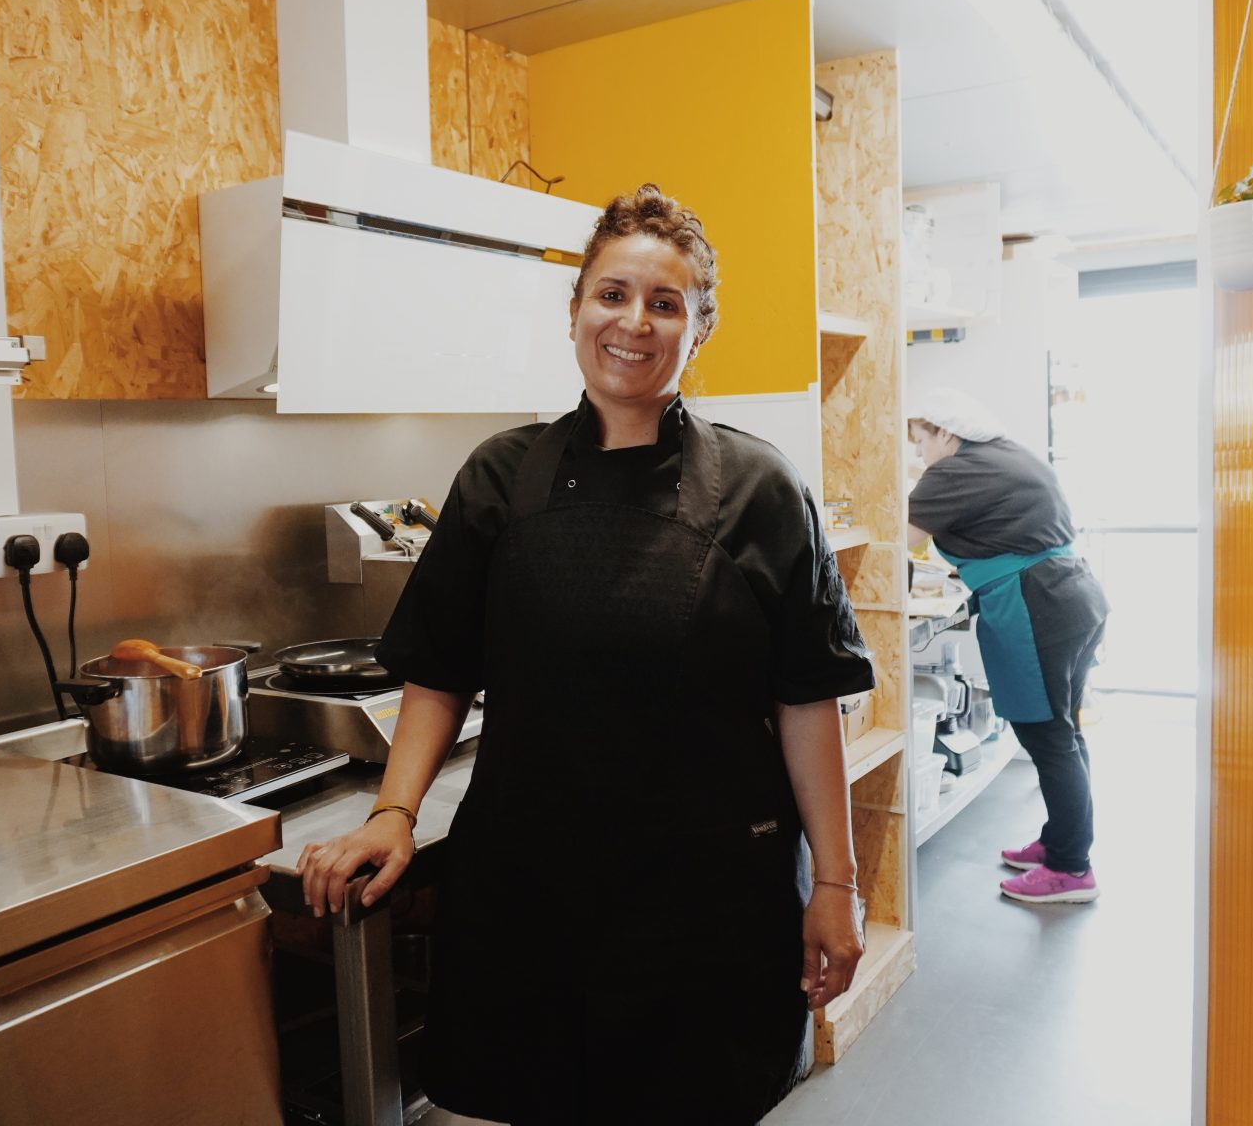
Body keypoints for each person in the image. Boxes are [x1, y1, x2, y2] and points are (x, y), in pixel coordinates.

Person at [298, 185, 877, 1125]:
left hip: (709, 905)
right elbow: (439, 669)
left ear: (700, 330)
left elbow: (807, 700)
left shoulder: (764, 490)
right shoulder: (499, 477)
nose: (634, 322)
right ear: (574, 310)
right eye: (612, 294)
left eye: (665, 303)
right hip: (530, 894)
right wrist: (394, 812)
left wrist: (840, 887)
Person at [906, 387, 1110, 904]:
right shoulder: (1009, 454)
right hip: (1074, 596)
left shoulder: (954, 471)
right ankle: (1063, 841)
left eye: (920, 441)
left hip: (1038, 604)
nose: (918, 454)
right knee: (1063, 731)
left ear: (945, 433)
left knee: (1047, 737)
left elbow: (896, 536)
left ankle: (1071, 869)